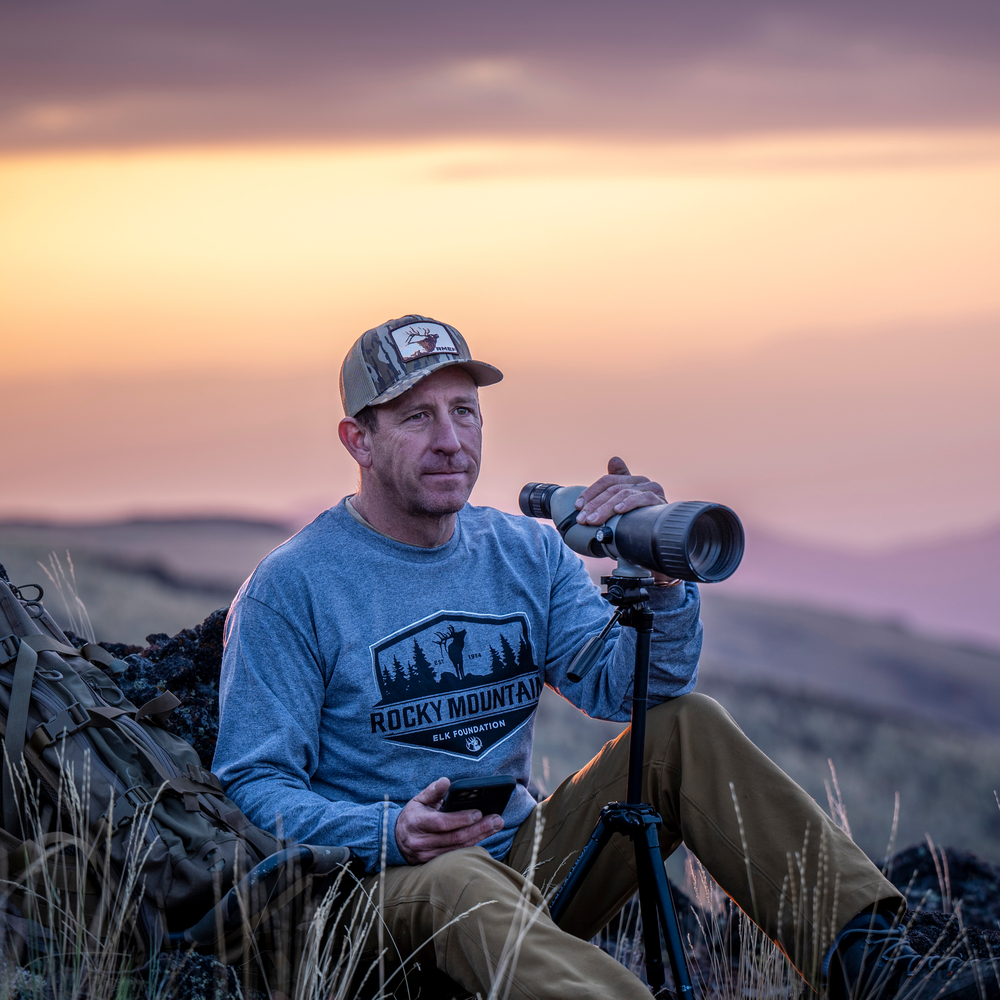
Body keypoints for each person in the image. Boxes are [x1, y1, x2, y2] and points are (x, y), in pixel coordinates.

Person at [214, 315, 998, 1000]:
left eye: (464, 410)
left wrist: (659, 573)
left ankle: (878, 969)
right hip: (379, 890)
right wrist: (393, 831)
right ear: (359, 438)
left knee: (686, 726)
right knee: (450, 878)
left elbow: (630, 688)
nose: (451, 440)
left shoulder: (523, 551)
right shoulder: (295, 587)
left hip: (522, 866)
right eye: (417, 417)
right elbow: (252, 783)